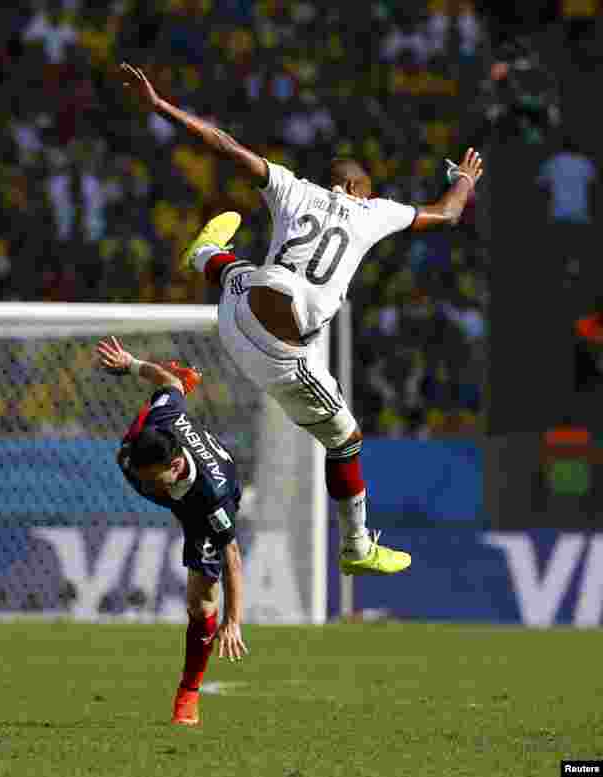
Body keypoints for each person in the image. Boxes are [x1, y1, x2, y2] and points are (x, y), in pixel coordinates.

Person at [119, 63, 485, 575]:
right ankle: (357, 546)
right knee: (346, 439)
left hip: (237, 316)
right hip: (281, 355)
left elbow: (223, 144)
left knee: (252, 274)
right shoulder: (373, 211)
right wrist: (464, 179)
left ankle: (207, 258)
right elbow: (447, 215)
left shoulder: (292, 188)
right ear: (359, 189)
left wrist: (160, 107)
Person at [96, 335, 247, 727]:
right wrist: (131, 363)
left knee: (200, 607)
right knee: (124, 451)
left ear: (176, 467)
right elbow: (169, 384)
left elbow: (233, 555)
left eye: (152, 480)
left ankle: (189, 693)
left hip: (201, 507)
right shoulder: (164, 421)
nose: (144, 486)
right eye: (143, 478)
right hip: (165, 449)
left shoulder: (211, 500)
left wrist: (234, 619)